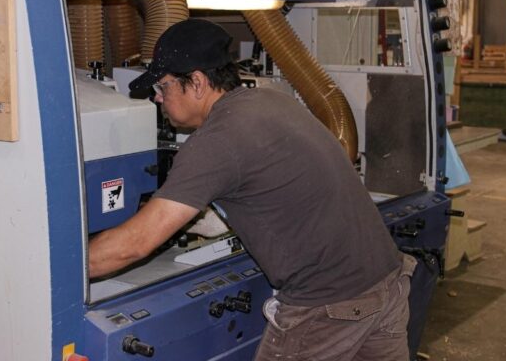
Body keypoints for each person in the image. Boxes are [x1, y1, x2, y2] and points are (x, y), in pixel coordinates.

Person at [88, 18, 417, 360]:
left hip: (329, 306)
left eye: (163, 87)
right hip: (388, 283)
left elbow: (135, 244)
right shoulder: (272, 102)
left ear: (197, 82)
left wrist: (61, 271)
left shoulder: (216, 140)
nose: (157, 98)